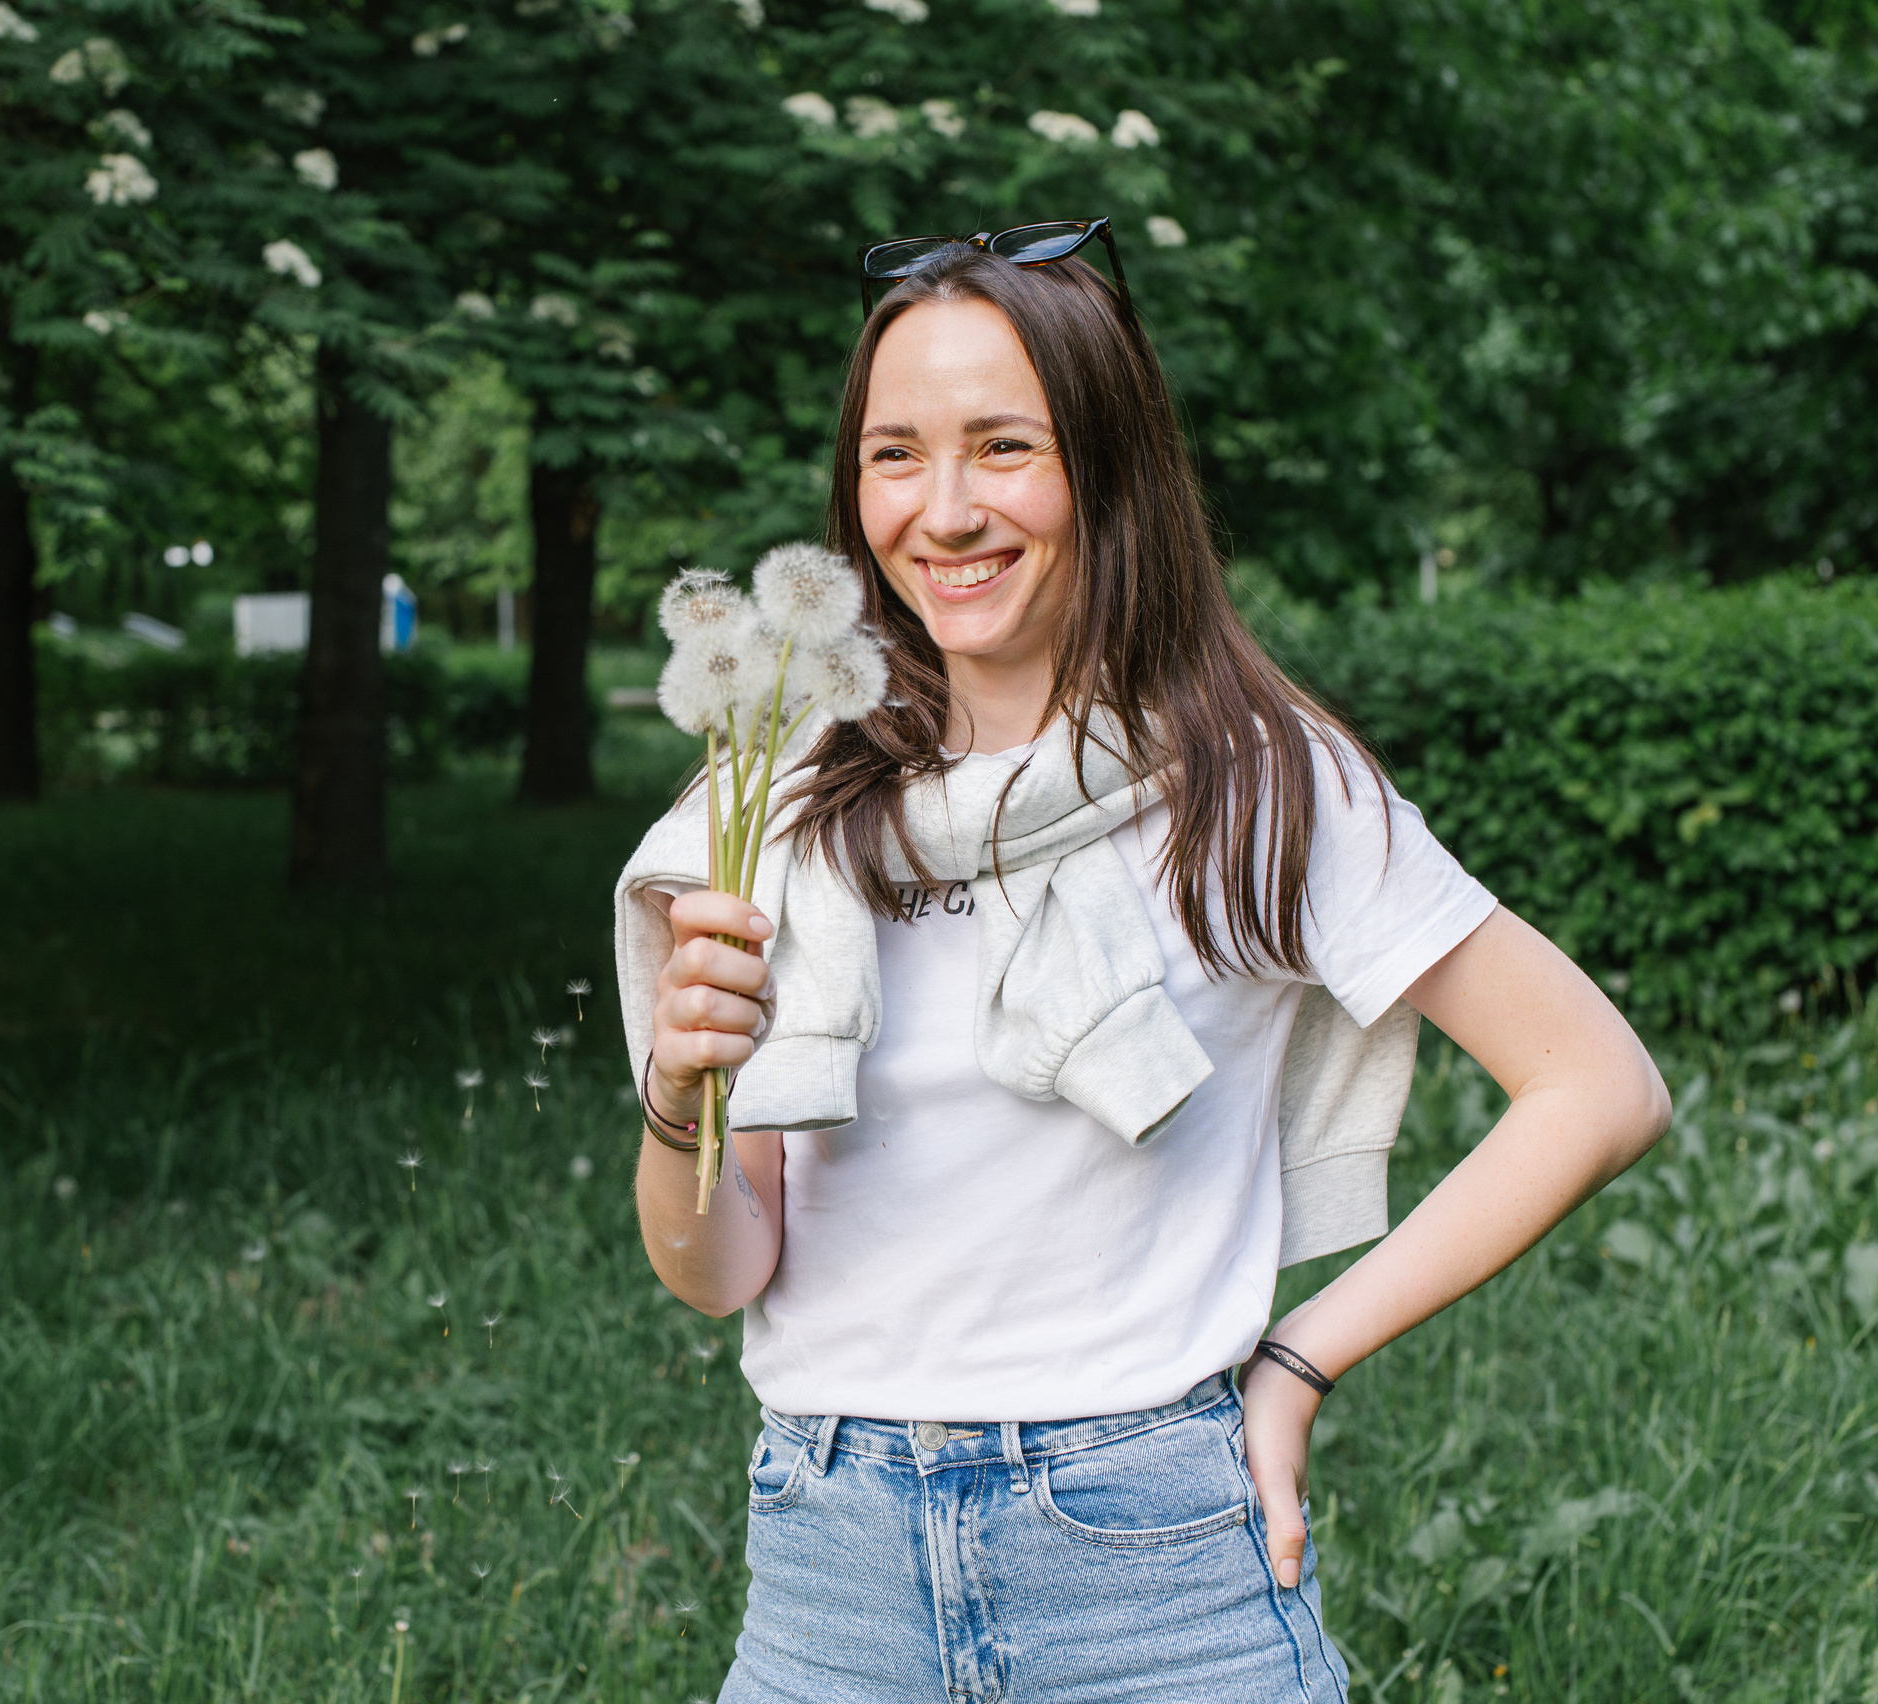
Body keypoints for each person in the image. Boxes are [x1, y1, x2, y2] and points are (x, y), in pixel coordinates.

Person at [612, 231, 1669, 1702]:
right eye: (896, 455)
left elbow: (1598, 1087)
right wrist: (680, 1099)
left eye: (1005, 446)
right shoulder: (783, 809)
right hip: (827, 1582)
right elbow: (720, 1271)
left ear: (1108, 466)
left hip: (1153, 1582)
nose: (945, 510)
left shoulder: (1255, 780)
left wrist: (1300, 1363)